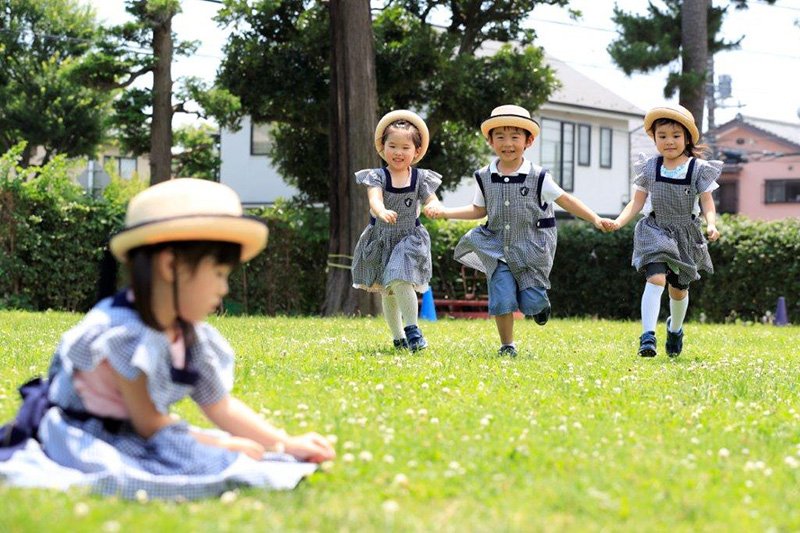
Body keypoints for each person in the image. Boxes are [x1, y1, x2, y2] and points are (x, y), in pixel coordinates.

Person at [0, 178, 335, 500]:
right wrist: (220, 445)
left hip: (136, 428)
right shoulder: (123, 335)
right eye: (218, 274)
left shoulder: (187, 335)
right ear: (170, 266)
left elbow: (220, 405)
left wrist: (283, 443)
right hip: (90, 434)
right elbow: (149, 424)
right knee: (188, 465)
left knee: (234, 454)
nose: (224, 288)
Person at [426, 105, 613, 356]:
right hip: (497, 247)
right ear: (490, 140)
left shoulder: (539, 177)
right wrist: (446, 212)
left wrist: (595, 218)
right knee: (501, 297)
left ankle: (539, 307)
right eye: (500, 137)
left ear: (529, 141)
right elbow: (478, 210)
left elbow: (565, 200)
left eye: (515, 137)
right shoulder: (484, 176)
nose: (507, 143)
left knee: (531, 302)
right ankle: (507, 345)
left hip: (533, 248)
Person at [609, 104, 721, 357]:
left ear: (687, 138)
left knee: (679, 290)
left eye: (675, 136)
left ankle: (675, 328)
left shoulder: (698, 169)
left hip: (686, 233)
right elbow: (636, 202)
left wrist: (711, 224)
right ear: (654, 139)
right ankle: (647, 337)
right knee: (656, 278)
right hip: (654, 228)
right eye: (662, 136)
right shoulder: (649, 167)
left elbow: (707, 202)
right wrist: (618, 221)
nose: (668, 142)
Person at [351, 110, 443, 351]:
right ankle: (398, 337)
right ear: (383, 147)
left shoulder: (421, 178)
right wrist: (381, 211)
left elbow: (431, 198)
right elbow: (375, 199)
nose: (399, 152)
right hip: (381, 237)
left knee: (401, 278)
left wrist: (433, 205)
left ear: (416, 151)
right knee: (388, 290)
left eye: (405, 147)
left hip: (410, 238)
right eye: (393, 146)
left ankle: (413, 330)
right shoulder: (378, 176)